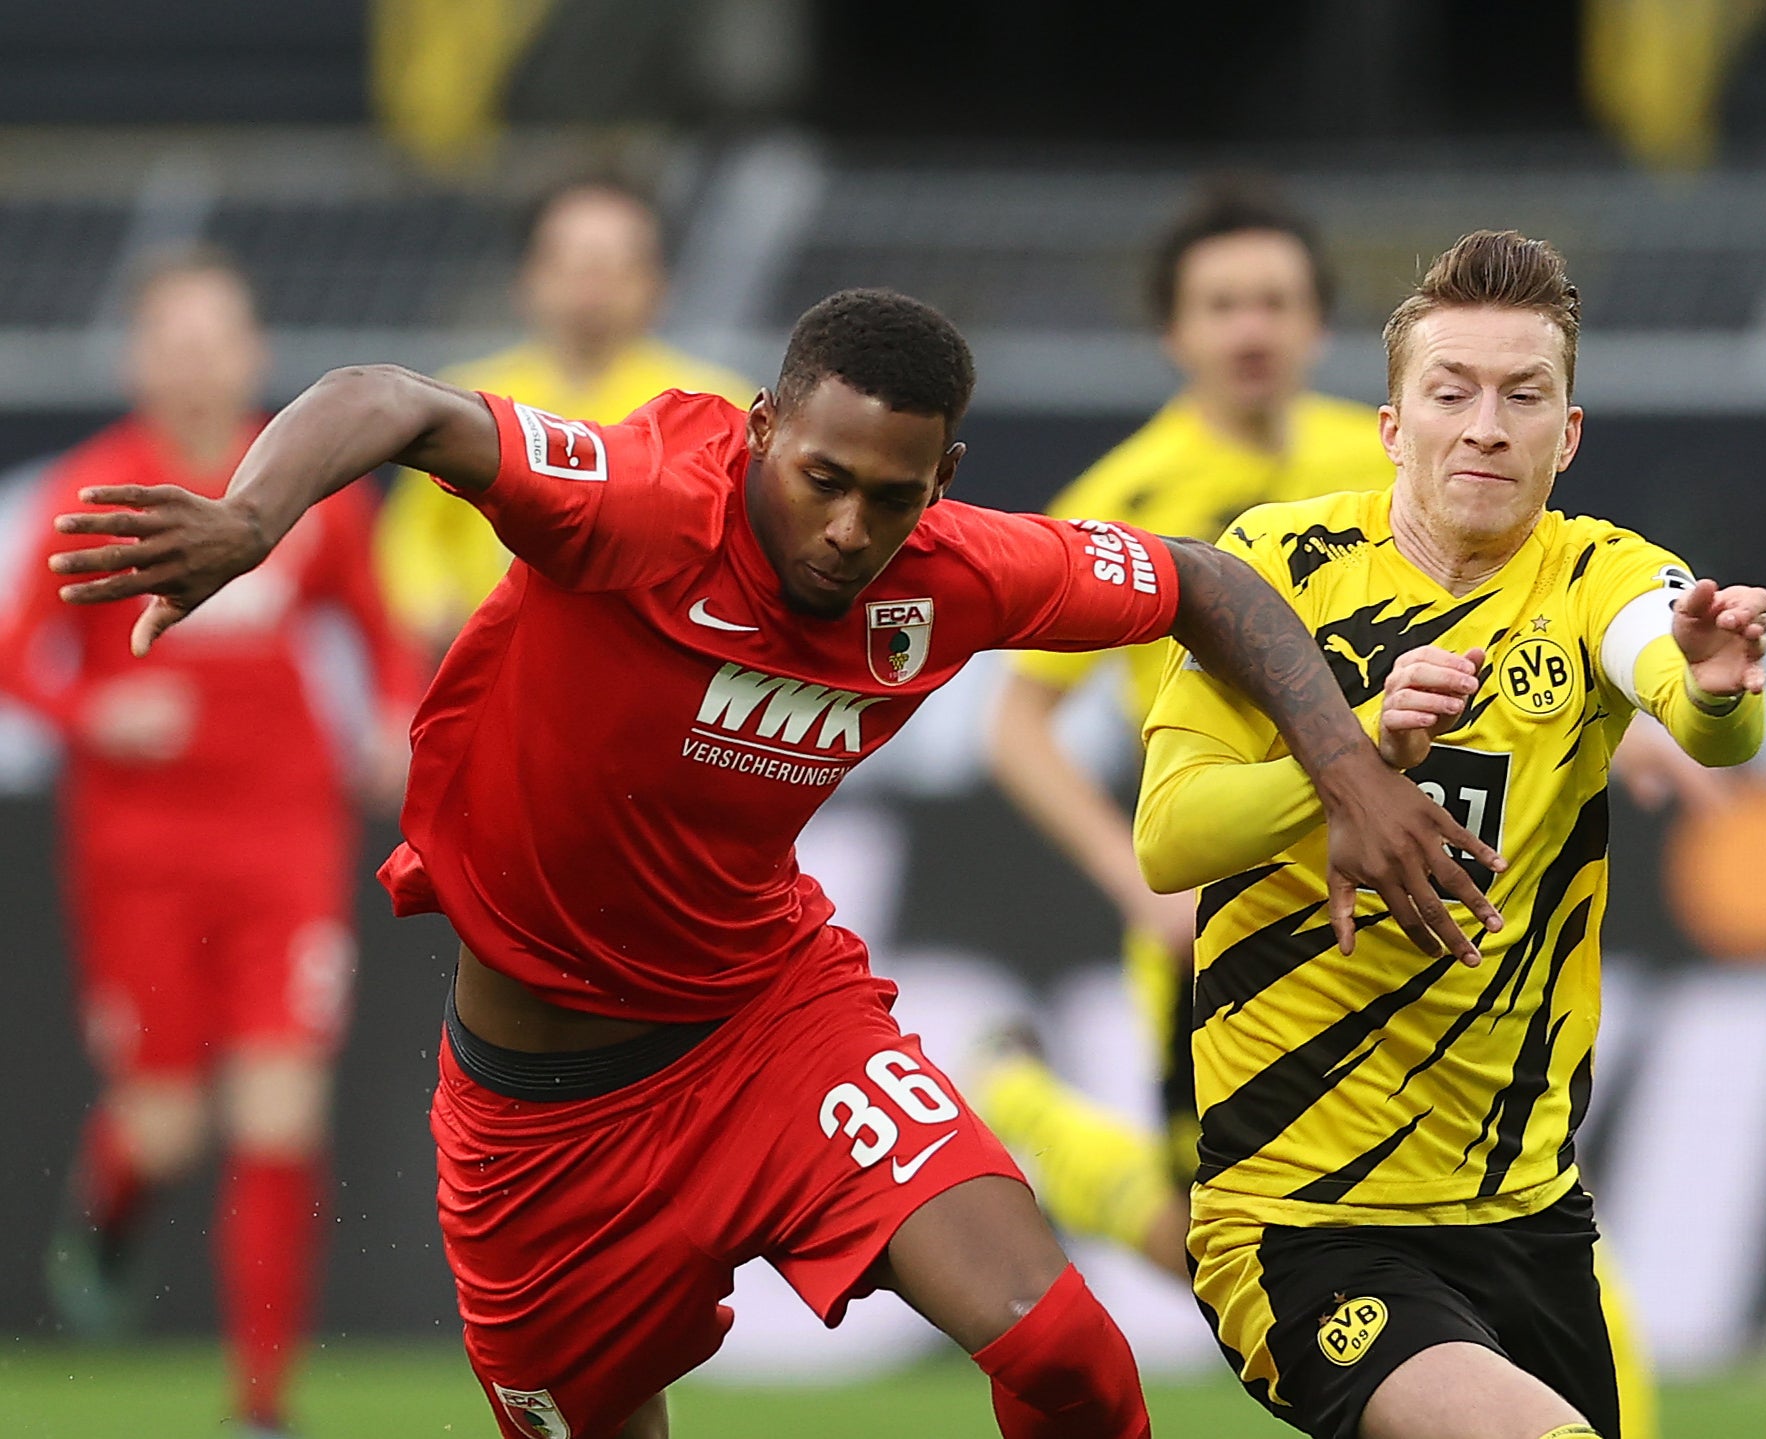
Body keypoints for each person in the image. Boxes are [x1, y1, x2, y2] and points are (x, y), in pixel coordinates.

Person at [47, 287, 1504, 1439]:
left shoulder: (954, 569)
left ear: (943, 478)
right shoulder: (632, 502)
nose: (850, 528)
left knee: (1069, 1355)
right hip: (537, 1131)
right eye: (820, 478)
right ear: (758, 429)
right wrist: (250, 519)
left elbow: (1201, 580)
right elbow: (389, 398)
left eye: (893, 494)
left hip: (770, 1032)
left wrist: (1346, 766)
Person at [1134, 232, 1766, 1439]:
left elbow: (1682, 688)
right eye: (1451, 391)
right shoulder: (1274, 566)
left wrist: (1716, 687)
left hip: (1522, 1210)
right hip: (1299, 1209)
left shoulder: (1596, 574)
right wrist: (1349, 754)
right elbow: (1167, 835)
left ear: (1565, 433)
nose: (1486, 425)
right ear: (1390, 425)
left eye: (1521, 395)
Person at [0, 249, 422, 1438]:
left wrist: (392, 709)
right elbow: (17, 659)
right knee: (168, 1120)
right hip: (138, 852)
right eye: (170, 340)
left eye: (215, 339)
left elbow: (377, 630)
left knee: (280, 1109)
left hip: (283, 835)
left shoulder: (303, 485)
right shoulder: (95, 493)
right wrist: (97, 711)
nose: (194, 363)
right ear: (138, 357)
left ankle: (260, 1405)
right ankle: (115, 1199)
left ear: (249, 353)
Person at [982, 181, 1391, 1278]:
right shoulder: (1122, 499)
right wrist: (1135, 881)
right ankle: (1034, 1117)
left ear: (1316, 321)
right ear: (1174, 330)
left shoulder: (1394, 468)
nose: (1249, 328)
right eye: (1220, 305)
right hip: (1213, 912)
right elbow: (1017, 723)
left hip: (1382, 886)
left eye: (1272, 301)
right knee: (1213, 1248)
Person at [375, 176, 753, 649]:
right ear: (528, 276)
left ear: (658, 283)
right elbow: (414, 532)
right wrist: (430, 606)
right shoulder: (466, 398)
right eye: (572, 265)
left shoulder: (715, 408)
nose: (592, 289)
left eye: (616, 268)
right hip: (494, 663)